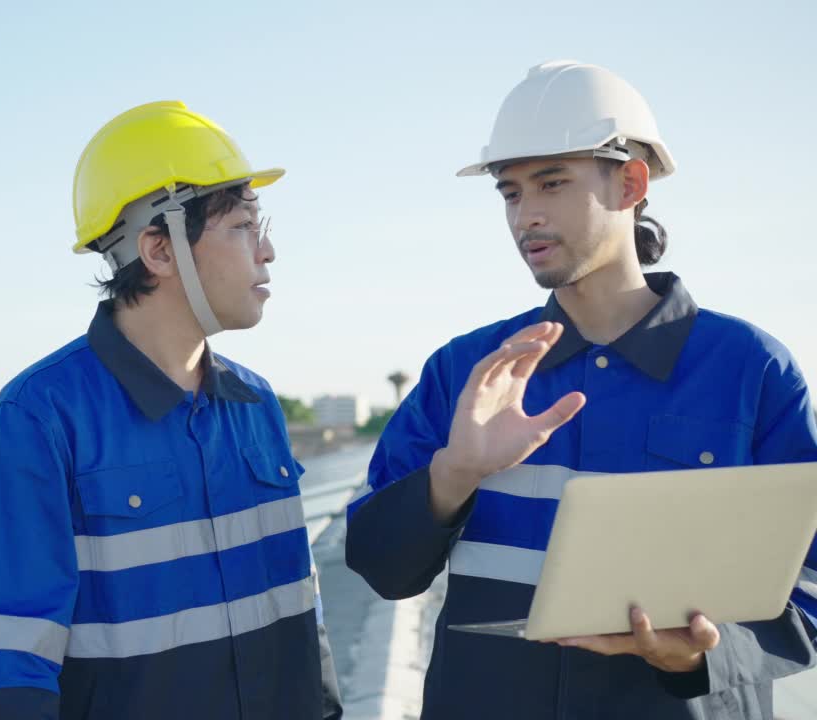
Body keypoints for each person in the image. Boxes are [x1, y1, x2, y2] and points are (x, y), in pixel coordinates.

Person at [345, 60, 817, 719]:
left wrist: (699, 654)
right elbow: (380, 567)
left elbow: (810, 587)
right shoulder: (465, 371)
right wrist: (454, 474)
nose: (525, 215)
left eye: (552, 183)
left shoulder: (751, 370)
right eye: (510, 192)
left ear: (630, 183)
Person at [0, 100, 342, 719]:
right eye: (243, 224)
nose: (267, 250)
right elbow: (8, 663)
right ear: (160, 251)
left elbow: (303, 608)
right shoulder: (38, 419)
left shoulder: (256, 405)